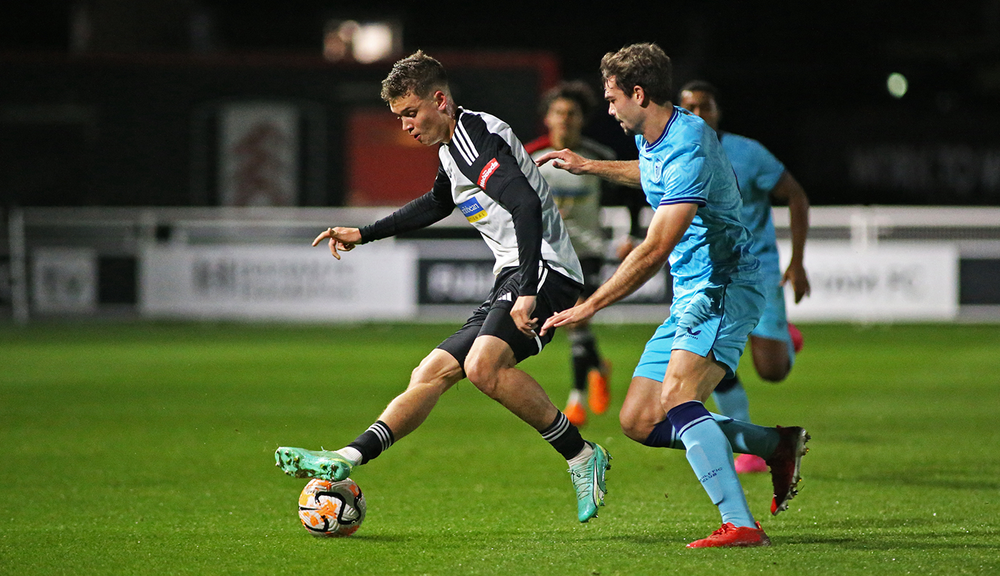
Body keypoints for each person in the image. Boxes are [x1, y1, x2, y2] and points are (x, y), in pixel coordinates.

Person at [274, 50, 611, 524]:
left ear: (440, 100)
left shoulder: (476, 138)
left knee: (483, 367)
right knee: (429, 372)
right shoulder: (453, 148)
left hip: (546, 272)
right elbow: (436, 203)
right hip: (514, 274)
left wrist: (531, 286)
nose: (406, 125)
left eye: (410, 113)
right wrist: (363, 233)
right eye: (399, 117)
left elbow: (526, 206)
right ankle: (348, 457)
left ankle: (581, 456)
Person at [537, 42, 809, 548]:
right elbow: (652, 175)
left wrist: (591, 304)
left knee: (680, 398)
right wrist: (590, 167)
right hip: (693, 292)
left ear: (638, 93)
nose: (609, 107)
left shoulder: (688, 142)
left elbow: (655, 247)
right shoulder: (654, 133)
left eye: (613, 98)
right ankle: (774, 444)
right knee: (639, 421)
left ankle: (742, 525)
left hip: (722, 287)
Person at [678, 80, 811, 474]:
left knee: (772, 372)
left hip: (757, 271)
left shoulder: (747, 153)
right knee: (707, 358)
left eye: (706, 107)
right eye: (690, 108)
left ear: (718, 111)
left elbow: (796, 195)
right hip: (706, 275)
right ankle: (750, 446)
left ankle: (785, 338)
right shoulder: (673, 152)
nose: (698, 115)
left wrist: (798, 262)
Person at [523, 80, 617, 427]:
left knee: (577, 317)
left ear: (582, 119)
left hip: (588, 250)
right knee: (575, 323)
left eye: (572, 113)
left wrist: (633, 234)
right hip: (551, 254)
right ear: (548, 118)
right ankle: (598, 366)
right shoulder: (532, 159)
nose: (565, 119)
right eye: (559, 112)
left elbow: (633, 194)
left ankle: (576, 400)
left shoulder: (597, 158)